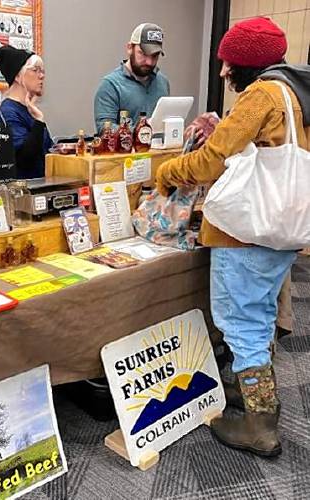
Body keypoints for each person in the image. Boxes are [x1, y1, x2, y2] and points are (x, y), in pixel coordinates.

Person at [155, 17, 310, 457]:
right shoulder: (296, 93)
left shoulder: (261, 93)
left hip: (245, 235)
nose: (223, 71)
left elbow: (210, 161)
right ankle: (252, 390)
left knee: (241, 324)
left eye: (228, 63)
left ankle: (260, 423)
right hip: (283, 231)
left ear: (249, 64)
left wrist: (168, 174)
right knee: (259, 318)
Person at [93, 23, 170, 133]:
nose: (149, 62)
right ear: (130, 48)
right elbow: (104, 129)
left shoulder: (163, 82)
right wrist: (142, 130)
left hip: (161, 149)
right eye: (143, 54)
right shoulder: (111, 85)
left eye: (155, 56)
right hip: (126, 150)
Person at [0, 45, 53, 179]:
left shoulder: (29, 109)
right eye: (35, 70)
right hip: (24, 191)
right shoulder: (8, 112)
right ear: (17, 75)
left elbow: (47, 149)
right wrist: (38, 120)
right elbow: (24, 159)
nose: (42, 76)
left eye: (42, 71)